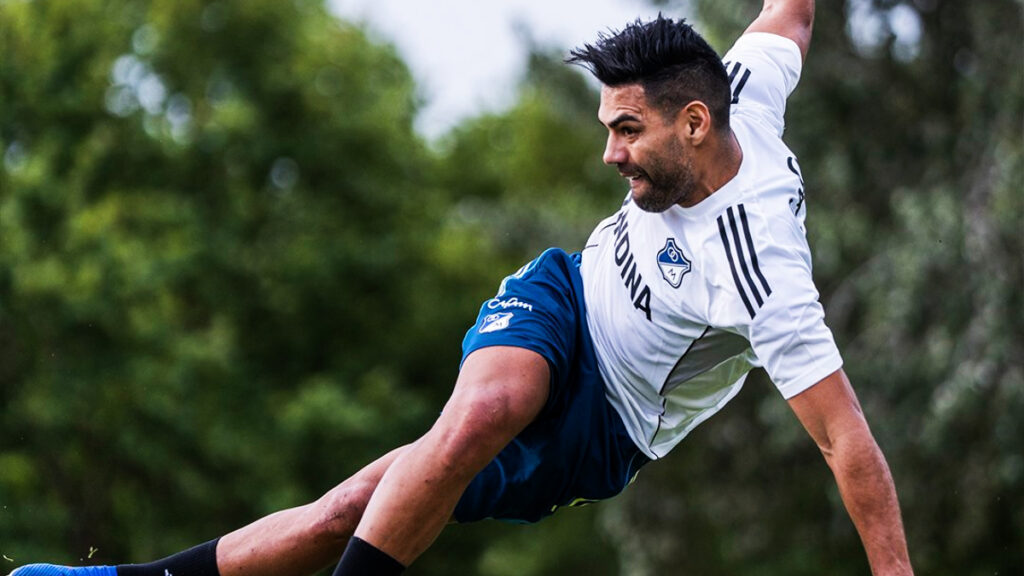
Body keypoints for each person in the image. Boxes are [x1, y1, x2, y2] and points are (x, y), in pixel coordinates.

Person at [11, 1, 915, 575]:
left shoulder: (761, 266)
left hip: (602, 426)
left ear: (692, 122)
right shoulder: (743, 86)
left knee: (346, 512)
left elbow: (848, 450)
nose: (608, 153)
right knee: (484, 411)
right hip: (562, 295)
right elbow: (790, 13)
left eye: (626, 131)